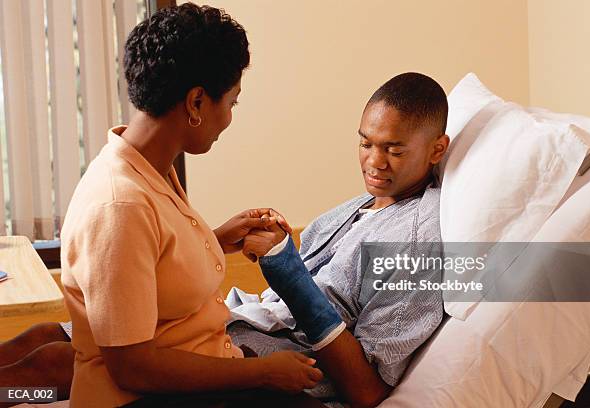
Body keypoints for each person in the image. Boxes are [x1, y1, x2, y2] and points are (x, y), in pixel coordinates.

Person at [0, 71, 449, 408]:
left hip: (276, 356)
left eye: (393, 149)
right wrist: (230, 245)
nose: (373, 161)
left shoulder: (417, 241)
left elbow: (367, 390)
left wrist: (284, 268)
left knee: (53, 365)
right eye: (365, 143)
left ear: (437, 149)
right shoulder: (360, 207)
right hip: (235, 316)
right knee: (44, 335)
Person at [0, 4, 325, 408]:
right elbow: (132, 366)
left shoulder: (148, 169)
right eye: (232, 103)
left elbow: (153, 258)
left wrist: (214, 238)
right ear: (196, 102)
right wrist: (263, 371)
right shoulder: (119, 204)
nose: (228, 119)